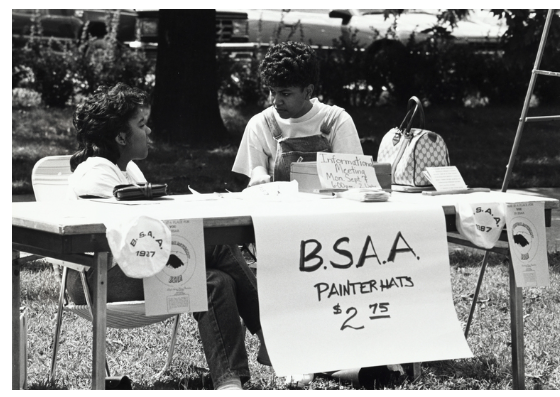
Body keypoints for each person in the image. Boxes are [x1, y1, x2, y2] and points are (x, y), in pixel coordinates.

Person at [65, 82, 270, 390]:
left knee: (217, 281)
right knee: (217, 246)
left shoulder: (128, 169)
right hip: (98, 276)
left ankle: (229, 382)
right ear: (121, 137)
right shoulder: (95, 172)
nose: (149, 132)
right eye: (141, 125)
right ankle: (271, 333)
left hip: (133, 265)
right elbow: (130, 231)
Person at [232, 41, 363, 185]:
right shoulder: (260, 124)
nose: (276, 101)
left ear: (308, 91)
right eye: (272, 92)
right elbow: (256, 169)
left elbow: (354, 181)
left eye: (285, 93)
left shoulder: (337, 121)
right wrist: (258, 176)